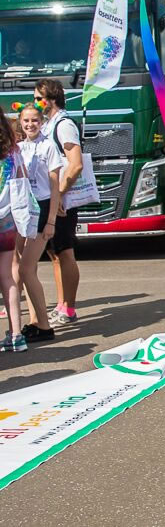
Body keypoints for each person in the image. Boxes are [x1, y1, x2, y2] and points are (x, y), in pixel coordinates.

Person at [34, 79, 83, 326]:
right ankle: (62, 305)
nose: (35, 102)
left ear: (51, 99)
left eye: (38, 97)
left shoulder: (64, 125)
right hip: (53, 199)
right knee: (55, 253)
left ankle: (70, 309)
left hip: (63, 199)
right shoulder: (50, 124)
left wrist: (60, 194)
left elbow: (76, 164)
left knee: (65, 251)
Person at [15, 105, 60, 344]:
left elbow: (54, 187)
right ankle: (34, 320)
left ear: (41, 122)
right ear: (20, 123)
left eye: (34, 120)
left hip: (42, 210)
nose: (30, 124)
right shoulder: (19, 148)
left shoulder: (49, 146)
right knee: (27, 270)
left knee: (25, 269)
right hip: (23, 208)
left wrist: (51, 220)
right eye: (26, 121)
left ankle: (45, 326)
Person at [0, 107, 39, 353]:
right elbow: (23, 179)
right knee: (8, 278)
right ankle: (17, 335)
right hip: (6, 221)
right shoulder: (12, 151)